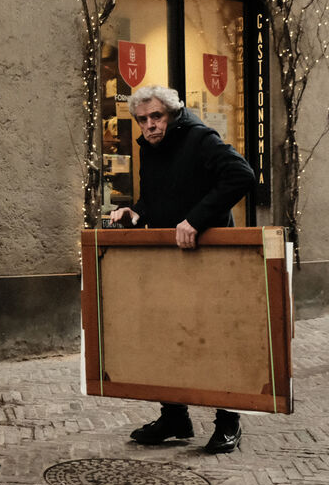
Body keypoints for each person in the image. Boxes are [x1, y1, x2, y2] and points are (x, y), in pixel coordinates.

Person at [108, 84, 255, 454]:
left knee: (216, 337)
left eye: (156, 116)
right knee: (169, 333)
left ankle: (229, 421)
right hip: (171, 258)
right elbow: (156, 198)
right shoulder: (151, 149)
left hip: (211, 254)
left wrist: (196, 219)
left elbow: (241, 175)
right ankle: (175, 417)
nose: (150, 126)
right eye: (142, 120)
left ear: (172, 113)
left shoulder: (200, 138)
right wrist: (134, 211)